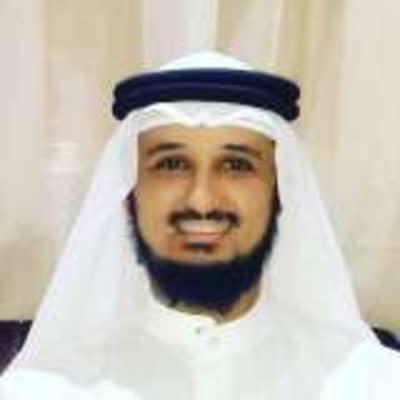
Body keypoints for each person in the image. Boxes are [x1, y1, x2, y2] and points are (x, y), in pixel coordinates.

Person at [1, 52, 399, 400]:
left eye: (237, 165)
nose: (202, 201)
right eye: (171, 164)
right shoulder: (42, 390)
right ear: (128, 195)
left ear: (280, 195)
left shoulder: (372, 384)